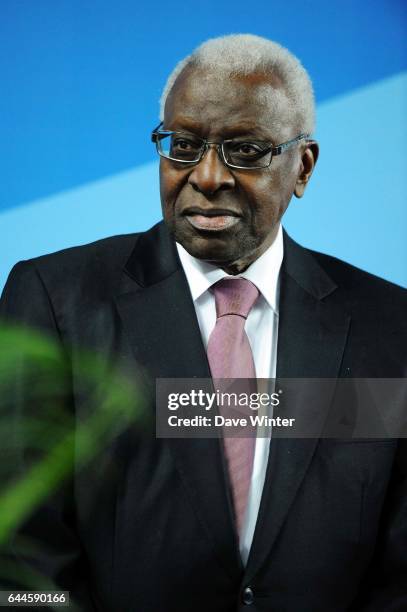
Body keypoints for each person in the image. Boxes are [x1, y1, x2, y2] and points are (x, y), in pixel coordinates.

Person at [0, 34, 406, 612]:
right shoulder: (53, 301)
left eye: (246, 151)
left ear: (303, 167)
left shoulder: (390, 327)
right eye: (184, 145)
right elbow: (21, 564)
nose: (208, 175)